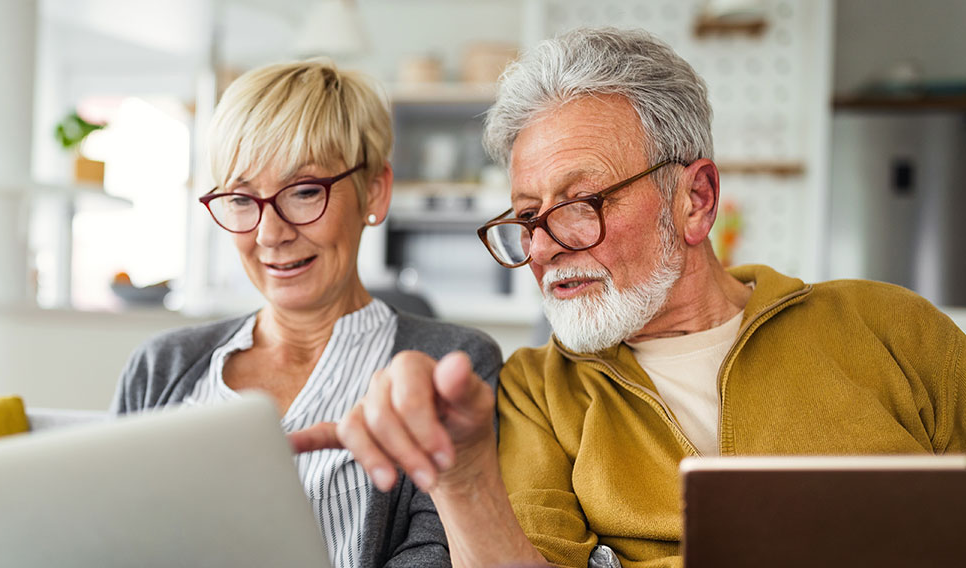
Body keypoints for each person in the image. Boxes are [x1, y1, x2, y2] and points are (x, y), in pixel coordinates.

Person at [291, 27, 966, 568]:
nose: (545, 246)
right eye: (526, 217)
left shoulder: (893, 328)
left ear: (695, 201)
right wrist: (463, 480)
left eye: (579, 204)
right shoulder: (536, 391)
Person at [110, 59, 502, 568]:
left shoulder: (451, 366)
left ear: (374, 191)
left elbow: (439, 554)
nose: (270, 234)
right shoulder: (161, 366)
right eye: (241, 199)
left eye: (303, 192)